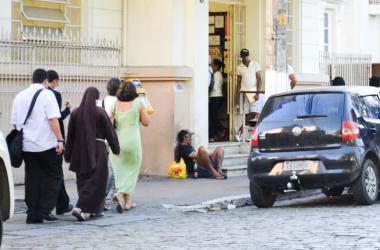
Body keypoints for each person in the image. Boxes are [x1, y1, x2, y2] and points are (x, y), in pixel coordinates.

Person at [11, 68, 64, 224]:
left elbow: (15, 124)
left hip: (27, 146)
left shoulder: (19, 96)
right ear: (45, 80)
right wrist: (60, 140)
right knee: (53, 177)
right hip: (46, 145)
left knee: (32, 180)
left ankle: (33, 213)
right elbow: (53, 120)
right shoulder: (48, 94)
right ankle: (44, 210)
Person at [64, 87, 120, 221]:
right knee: (97, 181)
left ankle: (94, 209)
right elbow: (110, 133)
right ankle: (80, 208)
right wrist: (116, 148)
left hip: (79, 151)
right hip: (98, 150)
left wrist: (67, 154)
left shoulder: (75, 113)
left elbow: (70, 136)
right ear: (96, 98)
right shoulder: (100, 113)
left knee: (83, 180)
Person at [110, 81, 150, 213]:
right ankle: (121, 194)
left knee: (120, 170)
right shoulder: (138, 103)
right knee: (132, 170)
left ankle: (127, 202)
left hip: (117, 141)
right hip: (133, 141)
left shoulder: (115, 103)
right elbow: (146, 122)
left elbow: (109, 121)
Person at [46, 70, 73, 216]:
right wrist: (68, 110)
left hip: (40, 140)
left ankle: (61, 203)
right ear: (55, 81)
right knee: (57, 174)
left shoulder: (39, 93)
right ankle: (61, 204)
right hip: (54, 139)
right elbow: (56, 118)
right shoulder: (54, 94)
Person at [96, 77, 122, 210]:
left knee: (103, 170)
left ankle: (103, 198)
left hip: (101, 140)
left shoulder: (100, 102)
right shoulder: (120, 103)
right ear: (119, 89)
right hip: (115, 139)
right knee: (115, 169)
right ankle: (107, 194)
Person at [235, 49, 262, 141]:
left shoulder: (255, 65)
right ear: (241, 56)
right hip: (243, 92)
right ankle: (243, 134)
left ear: (248, 55)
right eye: (243, 55)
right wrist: (236, 97)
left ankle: (240, 129)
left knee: (254, 112)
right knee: (245, 113)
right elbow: (238, 83)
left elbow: (259, 80)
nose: (245, 57)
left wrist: (258, 93)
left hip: (253, 92)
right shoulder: (239, 67)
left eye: (246, 55)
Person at [209, 58, 225, 142]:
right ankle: (220, 131)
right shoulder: (218, 74)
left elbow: (214, 87)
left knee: (213, 117)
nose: (211, 66)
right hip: (217, 97)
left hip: (215, 97)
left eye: (212, 65)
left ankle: (219, 132)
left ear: (216, 66)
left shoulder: (216, 74)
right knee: (213, 117)